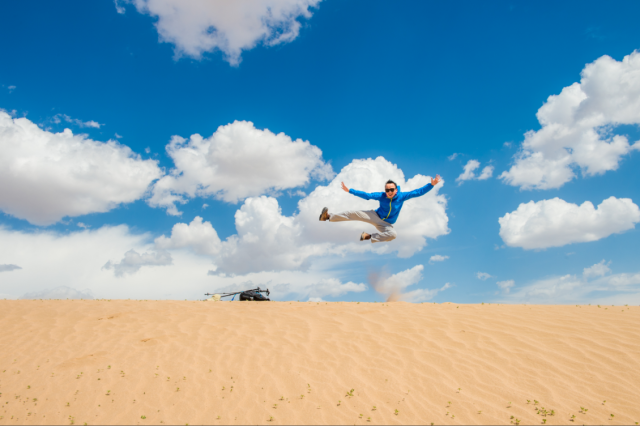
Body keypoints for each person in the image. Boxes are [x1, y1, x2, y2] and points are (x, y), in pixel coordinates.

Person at [319, 175, 441, 242]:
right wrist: (350, 190)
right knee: (353, 213)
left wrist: (431, 185)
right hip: (375, 216)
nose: (389, 192)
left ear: (396, 190)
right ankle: (328, 217)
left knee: (393, 235)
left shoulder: (402, 196)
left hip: (386, 224)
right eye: (387, 190)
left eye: (391, 190)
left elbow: (417, 192)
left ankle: (368, 236)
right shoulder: (382, 196)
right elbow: (367, 195)